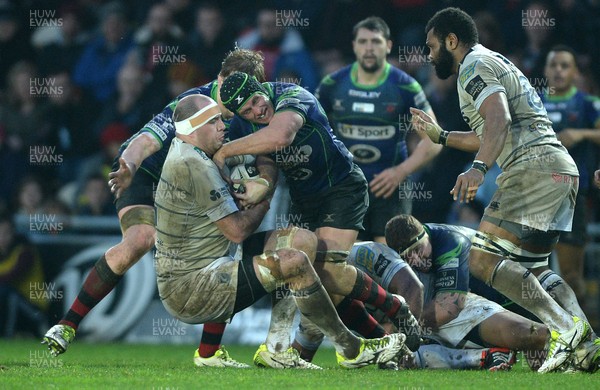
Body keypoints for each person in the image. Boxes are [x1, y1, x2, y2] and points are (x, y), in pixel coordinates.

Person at [42, 48, 269, 368]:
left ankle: (208, 354)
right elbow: (149, 138)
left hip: (188, 187)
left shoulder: (248, 116)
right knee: (140, 239)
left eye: (250, 90)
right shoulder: (191, 104)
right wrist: (129, 165)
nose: (242, 98)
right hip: (145, 175)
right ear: (221, 79)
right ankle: (67, 325)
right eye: (236, 86)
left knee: (226, 239)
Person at [155, 93, 406, 369]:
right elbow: (237, 231)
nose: (222, 126)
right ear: (193, 128)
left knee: (302, 241)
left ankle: (276, 348)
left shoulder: (197, 154)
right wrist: (264, 197)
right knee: (294, 261)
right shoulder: (193, 164)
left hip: (212, 264)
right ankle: (351, 349)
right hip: (192, 288)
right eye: (213, 121)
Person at [409, 7, 590, 373]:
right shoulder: (491, 61)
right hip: (557, 169)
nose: (429, 56)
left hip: (532, 168)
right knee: (535, 270)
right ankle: (584, 343)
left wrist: (478, 169)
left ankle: (564, 330)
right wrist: (441, 136)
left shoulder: (473, 66)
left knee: (481, 258)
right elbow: (488, 133)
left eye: (431, 47)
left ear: (451, 41)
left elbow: (499, 120)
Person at [216, 71, 420, 367]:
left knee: (322, 272)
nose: (256, 112)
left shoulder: (293, 97)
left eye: (257, 102)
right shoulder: (242, 123)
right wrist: (262, 182)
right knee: (324, 287)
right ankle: (387, 341)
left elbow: (280, 136)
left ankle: (393, 309)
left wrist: (224, 151)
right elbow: (266, 158)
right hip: (304, 201)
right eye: (246, 111)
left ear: (263, 89)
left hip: (341, 188)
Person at [315, 16, 441, 244]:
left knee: (388, 263)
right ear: (353, 45)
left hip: (390, 189)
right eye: (363, 42)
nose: (369, 48)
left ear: (389, 45)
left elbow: (434, 139)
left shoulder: (404, 86)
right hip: (345, 188)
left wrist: (401, 171)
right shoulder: (332, 85)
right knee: (340, 259)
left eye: (376, 41)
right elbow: (310, 131)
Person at [541, 45, 600, 304]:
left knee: (570, 275)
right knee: (532, 273)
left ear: (575, 72)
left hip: (573, 195)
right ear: (545, 70)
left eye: (565, 66)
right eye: (554, 65)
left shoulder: (588, 104)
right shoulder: (534, 102)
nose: (559, 70)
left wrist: (581, 133)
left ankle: (583, 331)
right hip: (538, 194)